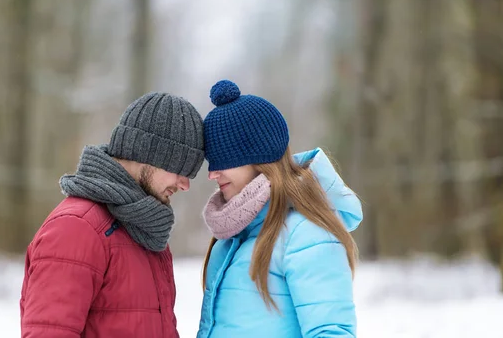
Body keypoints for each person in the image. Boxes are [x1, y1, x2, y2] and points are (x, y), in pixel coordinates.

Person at [20, 92, 205, 338]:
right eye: (180, 169)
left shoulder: (145, 229)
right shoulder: (78, 228)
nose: (184, 184)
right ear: (147, 154)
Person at [196, 80, 363, 338]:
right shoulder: (230, 241)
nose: (212, 173)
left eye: (223, 160)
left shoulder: (306, 234)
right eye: (210, 161)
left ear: (258, 158)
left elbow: (331, 332)